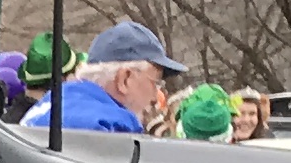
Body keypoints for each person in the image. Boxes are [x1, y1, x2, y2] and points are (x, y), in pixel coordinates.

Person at [23, 18, 188, 134]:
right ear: (124, 79)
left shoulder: (54, 102)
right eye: (156, 83)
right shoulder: (108, 127)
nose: (155, 98)